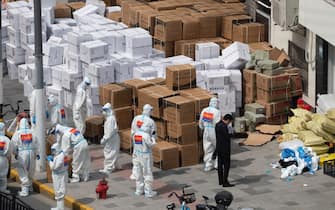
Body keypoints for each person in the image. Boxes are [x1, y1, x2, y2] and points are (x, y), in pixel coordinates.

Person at [11, 118, 40, 196]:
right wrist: (37, 153)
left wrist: (15, 153)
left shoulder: (17, 133)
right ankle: (30, 187)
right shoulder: (33, 132)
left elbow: (13, 144)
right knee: (31, 170)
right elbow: (37, 143)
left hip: (22, 153)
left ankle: (25, 190)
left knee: (22, 170)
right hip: (31, 152)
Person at [130, 104, 157, 180]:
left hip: (136, 138)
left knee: (136, 155)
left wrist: (133, 137)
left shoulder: (136, 118)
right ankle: (146, 174)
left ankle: (135, 174)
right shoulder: (151, 121)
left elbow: (132, 128)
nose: (152, 112)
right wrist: (153, 140)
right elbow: (153, 133)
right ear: (149, 111)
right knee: (146, 158)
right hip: (145, 141)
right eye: (151, 110)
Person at [132, 130, 157, 198]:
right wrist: (153, 139)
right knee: (147, 173)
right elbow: (151, 145)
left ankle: (139, 190)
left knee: (138, 173)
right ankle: (148, 192)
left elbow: (135, 145)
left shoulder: (136, 134)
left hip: (137, 154)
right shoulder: (146, 135)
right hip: (145, 155)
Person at [199, 97, 221, 171]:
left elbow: (201, 122)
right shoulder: (217, 112)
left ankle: (208, 165)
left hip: (206, 130)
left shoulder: (204, 110)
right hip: (214, 131)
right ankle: (217, 164)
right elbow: (218, 124)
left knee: (207, 147)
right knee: (218, 147)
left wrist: (202, 128)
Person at [99, 103, 121, 175]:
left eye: (104, 110)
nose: (103, 112)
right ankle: (117, 165)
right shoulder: (110, 118)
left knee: (109, 153)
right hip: (113, 138)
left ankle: (108, 168)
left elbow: (109, 132)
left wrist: (104, 139)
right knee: (114, 151)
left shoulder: (110, 119)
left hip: (111, 139)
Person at [215, 114, 234, 187]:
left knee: (220, 165)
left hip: (219, 147)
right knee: (226, 165)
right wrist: (231, 134)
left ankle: (220, 180)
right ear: (228, 120)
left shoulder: (217, 124)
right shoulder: (224, 126)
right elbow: (227, 136)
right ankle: (225, 181)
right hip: (225, 148)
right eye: (229, 122)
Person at [47, 143, 68, 210]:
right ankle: (59, 207)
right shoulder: (62, 154)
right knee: (58, 190)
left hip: (59, 175)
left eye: (54, 150)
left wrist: (50, 161)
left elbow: (54, 167)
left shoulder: (60, 156)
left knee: (60, 191)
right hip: (61, 174)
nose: (53, 152)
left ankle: (61, 208)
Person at [0, 122, 11, 193]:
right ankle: (3, 189)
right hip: (3, 159)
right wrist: (8, 156)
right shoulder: (6, 139)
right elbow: (9, 149)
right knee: (3, 174)